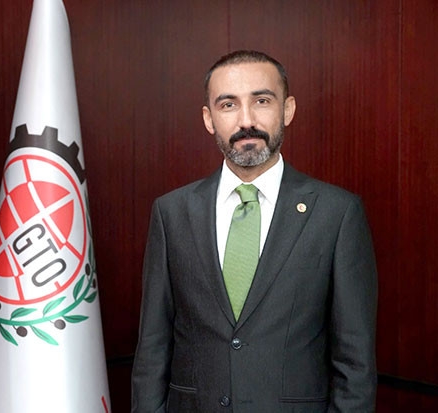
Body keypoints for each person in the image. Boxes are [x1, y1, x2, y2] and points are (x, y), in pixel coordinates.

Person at [131, 50, 378, 412]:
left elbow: (355, 363)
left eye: (262, 101)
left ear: (287, 109)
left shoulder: (337, 214)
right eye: (228, 105)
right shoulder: (171, 213)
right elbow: (152, 349)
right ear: (209, 118)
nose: (246, 120)